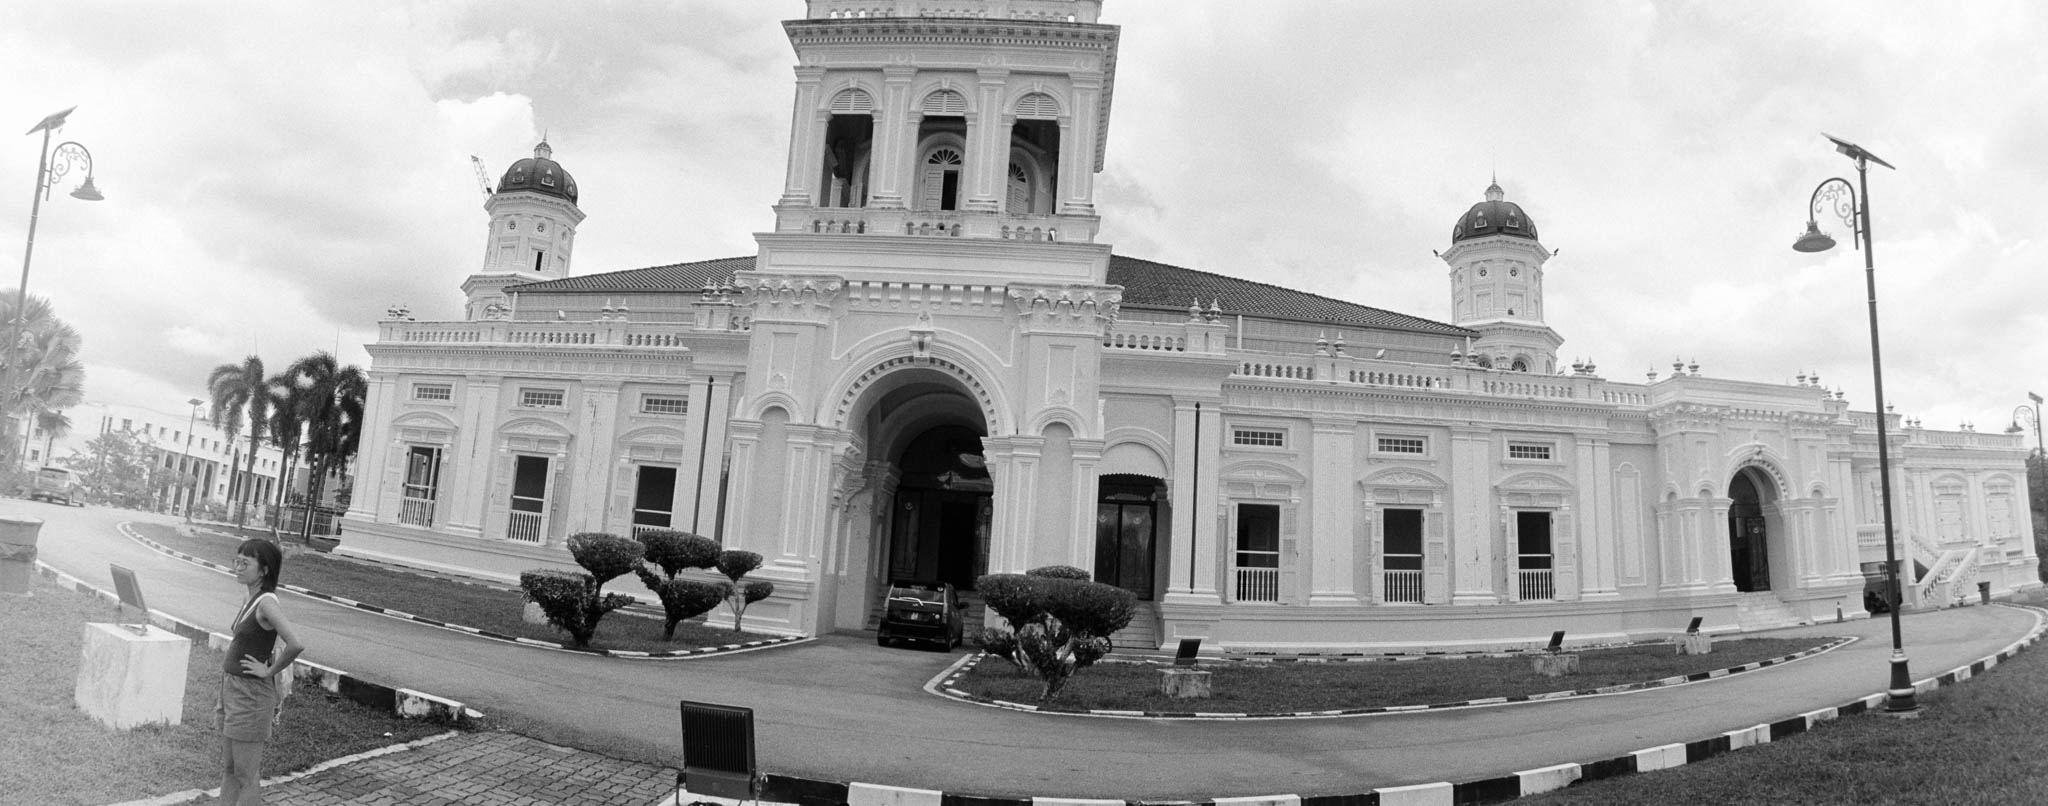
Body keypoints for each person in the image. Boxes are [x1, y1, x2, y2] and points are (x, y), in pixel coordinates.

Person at [215, 539, 305, 805]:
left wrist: (268, 671)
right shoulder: (250, 597)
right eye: (237, 560)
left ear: (264, 570)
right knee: (230, 768)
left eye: (246, 563)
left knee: (246, 773)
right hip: (233, 689)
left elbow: (296, 644)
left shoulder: (266, 603)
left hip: (251, 696)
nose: (238, 567)